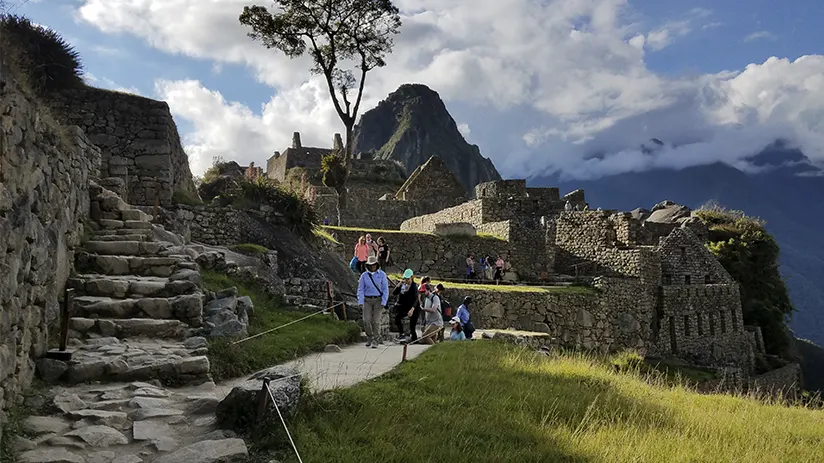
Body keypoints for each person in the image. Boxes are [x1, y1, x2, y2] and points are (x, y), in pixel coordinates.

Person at [357, 256, 389, 348]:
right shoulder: (364, 276)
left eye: (374, 264)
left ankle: (376, 339)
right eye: (370, 265)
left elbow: (385, 289)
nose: (372, 266)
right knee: (366, 320)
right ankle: (369, 337)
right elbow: (360, 289)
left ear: (376, 265)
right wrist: (360, 301)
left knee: (376, 321)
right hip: (367, 300)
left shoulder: (382, 275)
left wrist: (384, 301)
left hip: (378, 300)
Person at [393, 269, 421, 343]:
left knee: (412, 326)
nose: (406, 280)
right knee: (397, 318)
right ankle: (402, 334)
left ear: (412, 277)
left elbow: (416, 299)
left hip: (414, 308)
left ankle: (414, 340)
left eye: (408, 279)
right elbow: (394, 293)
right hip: (405, 307)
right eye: (405, 278)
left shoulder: (414, 286)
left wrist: (412, 310)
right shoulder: (403, 285)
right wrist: (398, 285)